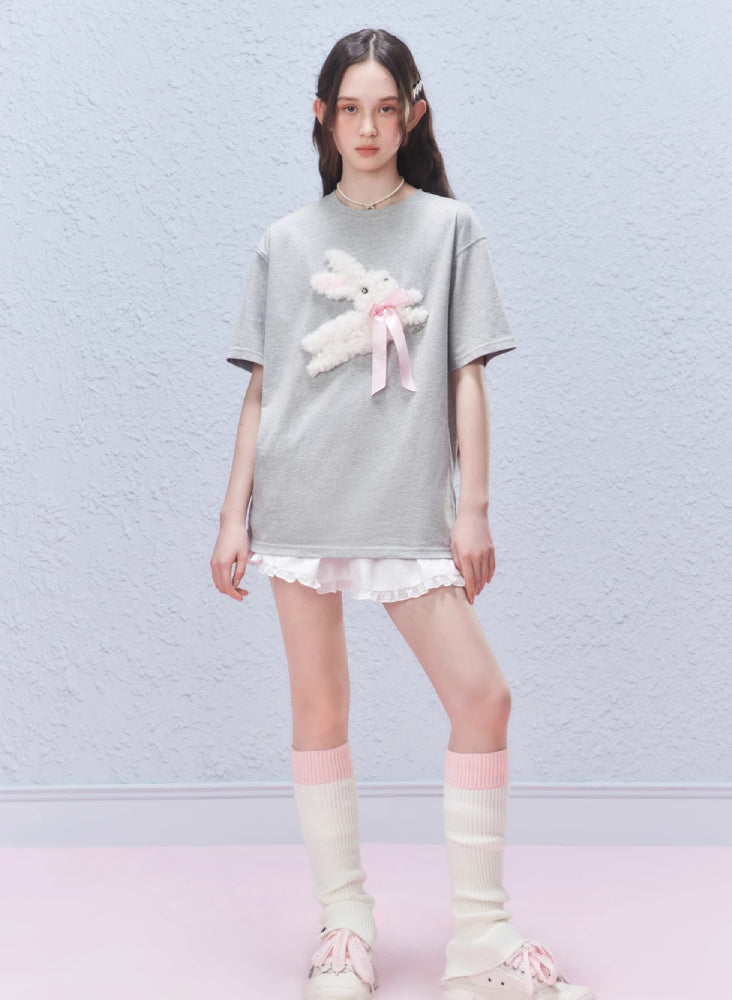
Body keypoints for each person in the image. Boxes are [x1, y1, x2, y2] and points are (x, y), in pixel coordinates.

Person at [210, 27, 596, 1000]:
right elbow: (262, 391)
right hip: (300, 502)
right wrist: (232, 516)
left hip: (406, 510)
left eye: (386, 109)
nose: (369, 127)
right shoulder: (284, 242)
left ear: (413, 114)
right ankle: (344, 927)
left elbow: (468, 377)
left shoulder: (450, 230)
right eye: (350, 109)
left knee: (482, 699)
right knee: (320, 708)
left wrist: (474, 509)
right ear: (323, 116)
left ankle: (481, 940)